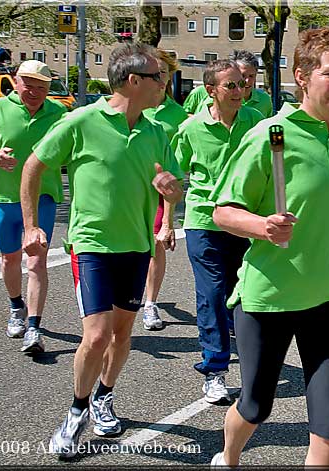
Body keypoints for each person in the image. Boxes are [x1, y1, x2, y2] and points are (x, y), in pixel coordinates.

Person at [208, 27, 329, 467]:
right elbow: (223, 211)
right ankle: (229, 455)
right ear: (302, 76)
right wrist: (262, 225)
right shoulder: (270, 135)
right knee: (256, 406)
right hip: (271, 299)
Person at [19, 42, 184, 458]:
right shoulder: (81, 122)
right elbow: (33, 166)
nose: (164, 84)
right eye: (157, 77)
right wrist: (32, 226)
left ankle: (103, 396)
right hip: (91, 245)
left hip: (136, 247)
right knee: (96, 336)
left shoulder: (156, 131)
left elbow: (174, 184)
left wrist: (170, 200)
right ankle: (76, 413)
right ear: (133, 81)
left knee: (122, 334)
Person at [173, 59, 264, 405]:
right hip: (204, 221)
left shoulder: (257, 122)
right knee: (211, 293)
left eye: (243, 84)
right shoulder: (191, 129)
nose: (240, 91)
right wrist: (166, 222)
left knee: (243, 292)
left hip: (245, 220)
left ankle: (250, 357)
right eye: (232, 85)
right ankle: (215, 369)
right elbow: (174, 175)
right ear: (210, 90)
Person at [0, 60, 67, 354]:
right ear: (15, 82)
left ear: (48, 89)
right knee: (10, 259)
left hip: (43, 198)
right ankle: (16, 307)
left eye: (41, 87)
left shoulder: (59, 113)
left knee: (36, 260)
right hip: (6, 197)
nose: (34, 92)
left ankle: (34, 328)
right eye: (29, 85)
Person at [141, 49, 189, 331]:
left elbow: (178, 164)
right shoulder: (135, 105)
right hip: (133, 187)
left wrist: (170, 220)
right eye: (155, 73)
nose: (159, 79)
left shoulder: (178, 115)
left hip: (161, 191)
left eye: (164, 74)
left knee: (157, 244)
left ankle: (150, 303)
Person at [182, 50, 272, 117]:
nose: (247, 81)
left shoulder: (264, 100)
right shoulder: (201, 92)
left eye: (251, 76)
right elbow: (183, 116)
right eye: (243, 76)